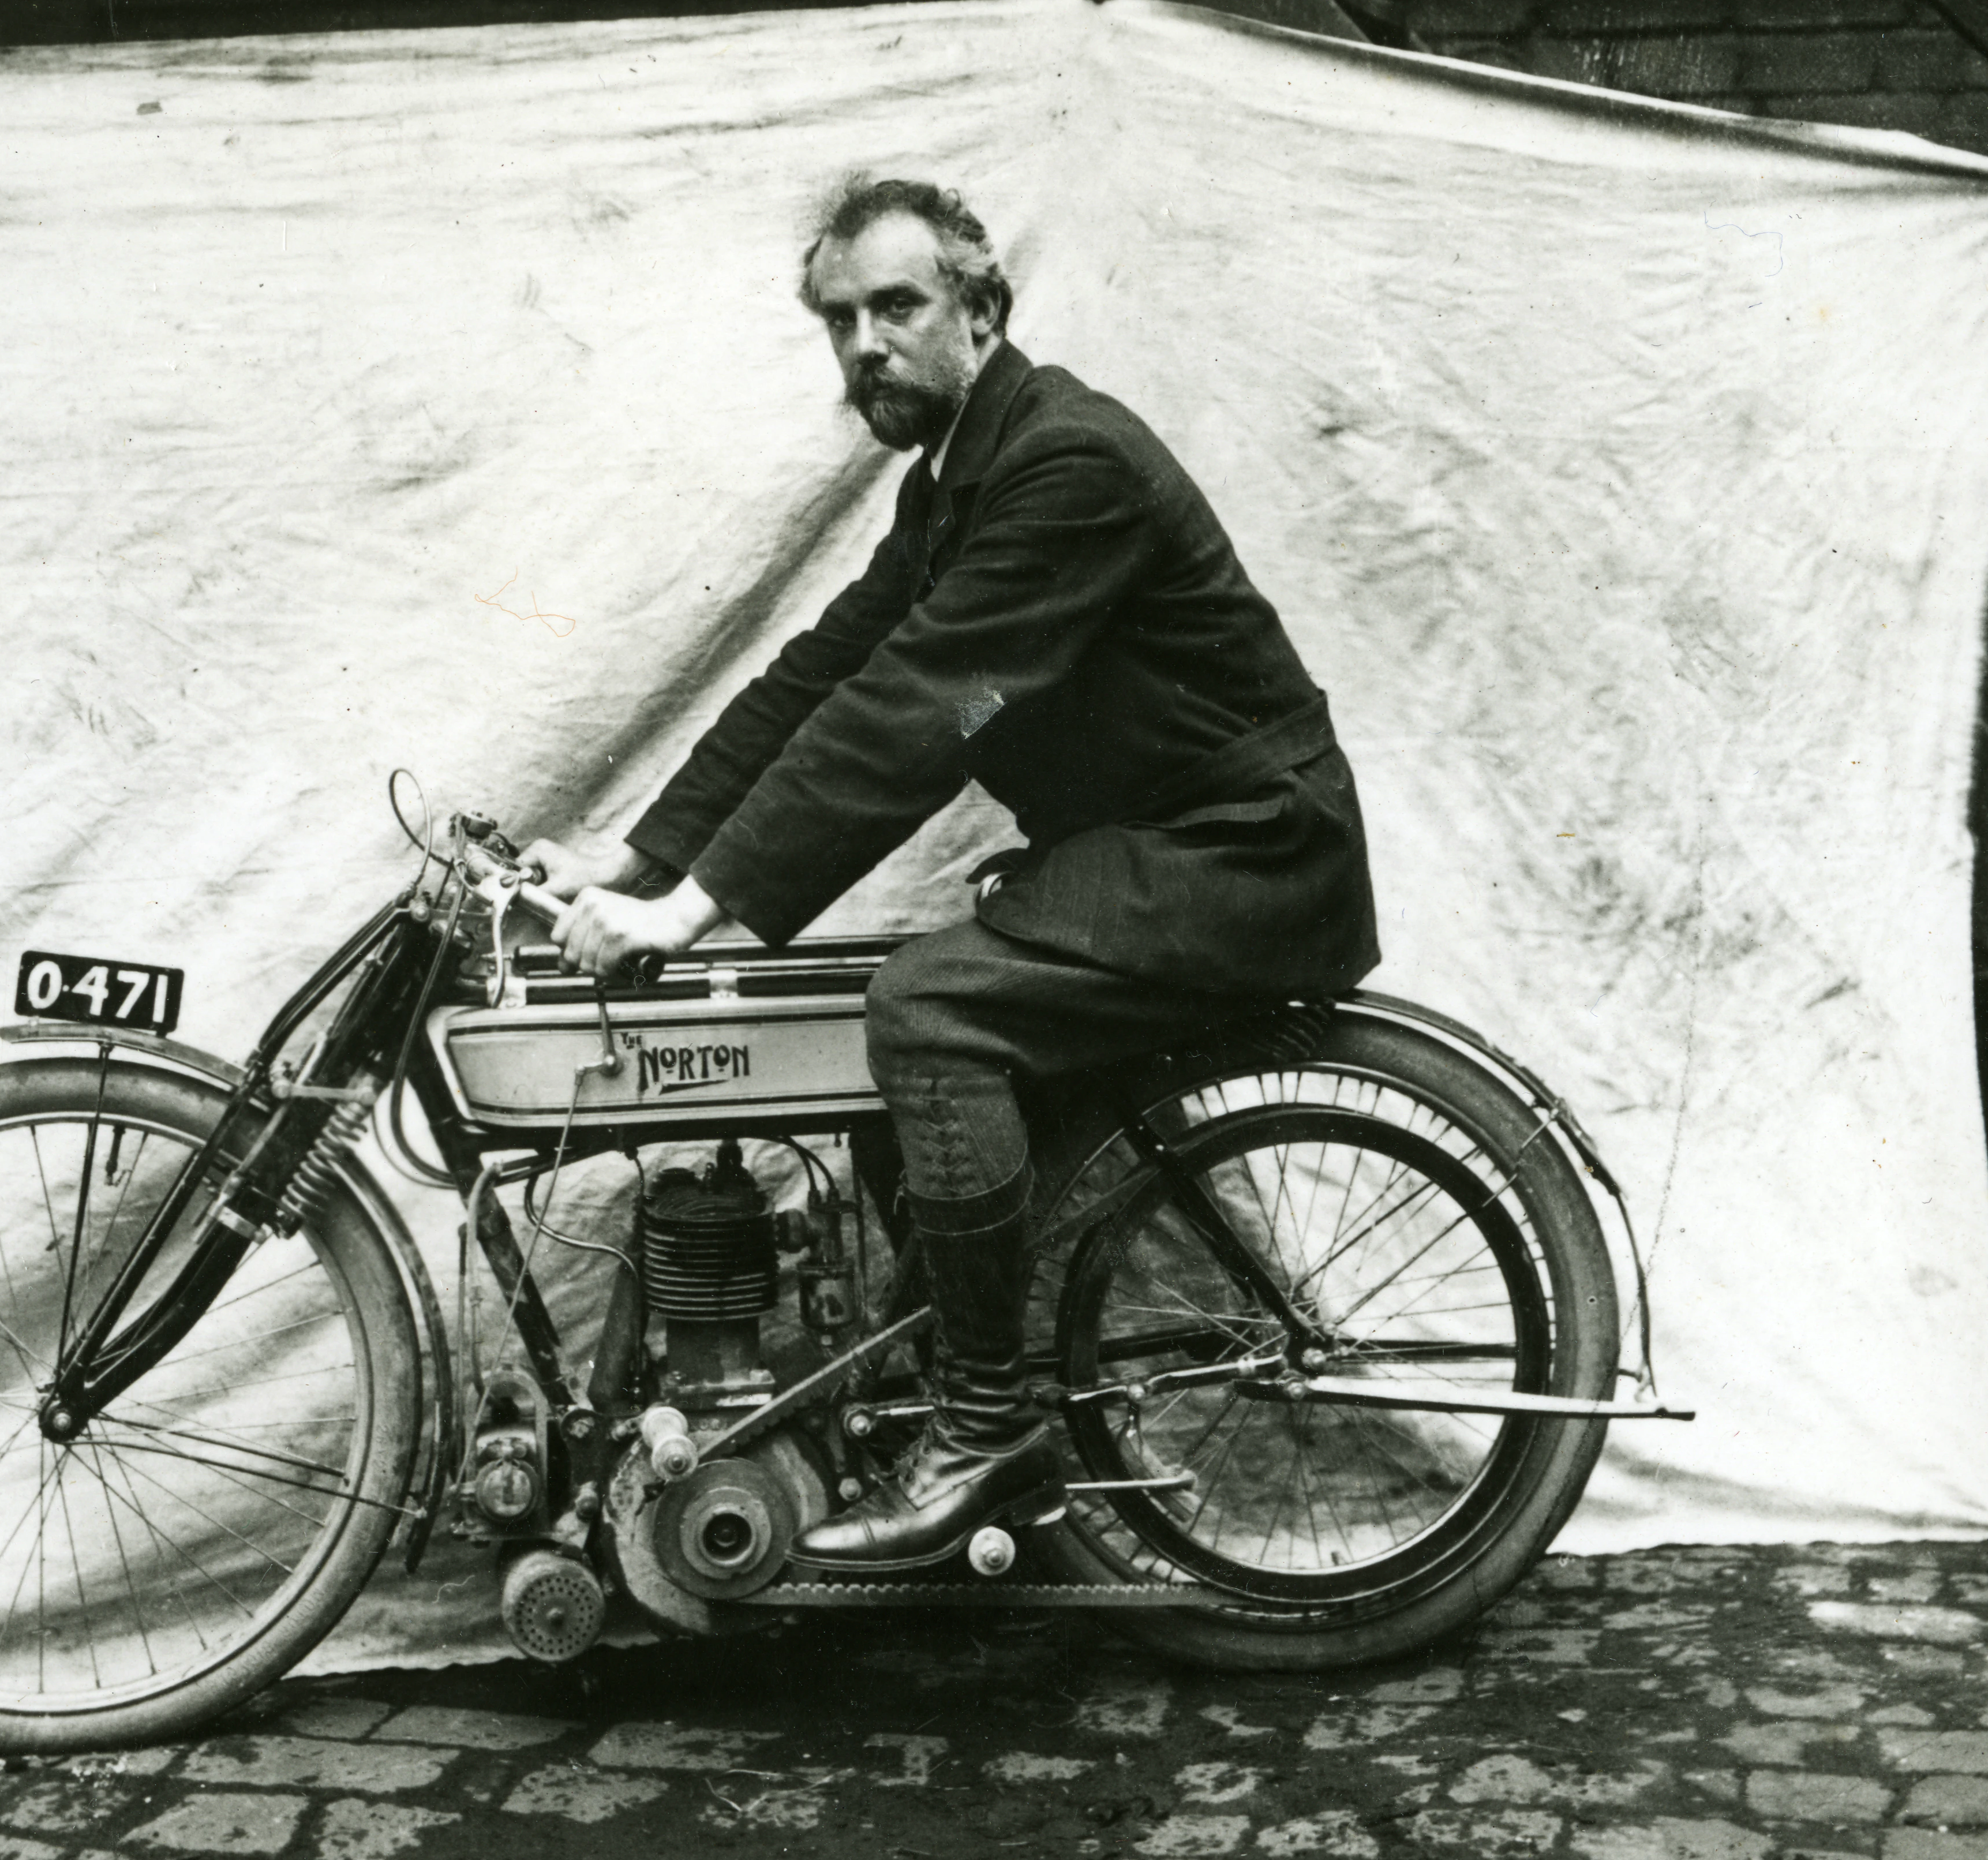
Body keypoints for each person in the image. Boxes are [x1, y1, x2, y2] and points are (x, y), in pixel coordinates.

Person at [522, 176, 1379, 1573]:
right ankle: (919, 1393)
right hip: (1154, 848)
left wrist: (687, 913)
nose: (865, 344)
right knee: (884, 1049)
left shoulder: (1064, 465)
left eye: (897, 307)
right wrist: (627, 857)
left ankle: (988, 1425)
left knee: (925, 1012)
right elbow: (824, 675)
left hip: (1244, 850)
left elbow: (920, 706)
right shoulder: (954, 487)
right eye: (839, 319)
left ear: (979, 311)